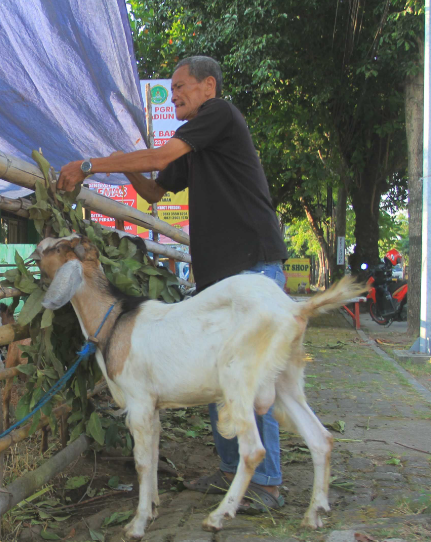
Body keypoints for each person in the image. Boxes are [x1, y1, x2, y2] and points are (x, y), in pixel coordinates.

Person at [58, 55, 288, 513]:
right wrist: (121, 162)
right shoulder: (199, 145)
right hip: (221, 277)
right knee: (215, 369)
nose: (175, 93)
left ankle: (266, 483)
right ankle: (230, 469)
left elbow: (161, 156)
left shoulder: (219, 114)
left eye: (181, 86)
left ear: (208, 86)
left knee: (248, 376)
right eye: (173, 87)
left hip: (251, 267)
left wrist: (89, 164)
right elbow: (154, 191)